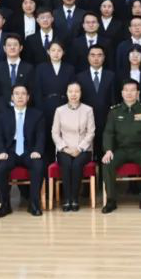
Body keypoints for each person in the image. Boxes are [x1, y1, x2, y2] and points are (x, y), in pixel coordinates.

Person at [101, 80, 141, 213]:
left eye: (133, 90)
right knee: (107, 163)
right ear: (122, 93)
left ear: (138, 93)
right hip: (120, 150)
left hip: (139, 150)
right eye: (126, 90)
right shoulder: (114, 111)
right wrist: (108, 150)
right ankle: (111, 200)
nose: (129, 93)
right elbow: (108, 133)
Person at [0, 84, 46, 217]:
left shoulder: (37, 115)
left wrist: (38, 150)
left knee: (38, 165)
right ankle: (5, 205)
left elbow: (41, 135)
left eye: (23, 94)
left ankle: (34, 204)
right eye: (17, 94)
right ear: (12, 97)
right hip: (10, 151)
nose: (20, 96)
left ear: (28, 97)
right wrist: (1, 151)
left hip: (29, 150)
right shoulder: (3, 115)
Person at [52, 81, 95, 212]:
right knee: (66, 164)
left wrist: (80, 148)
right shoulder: (60, 110)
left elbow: (91, 132)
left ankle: (75, 199)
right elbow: (55, 133)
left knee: (77, 165)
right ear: (67, 93)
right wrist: (65, 148)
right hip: (64, 149)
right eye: (70, 91)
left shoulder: (88, 110)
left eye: (76, 91)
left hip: (83, 149)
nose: (73, 94)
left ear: (81, 93)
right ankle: (67, 199)